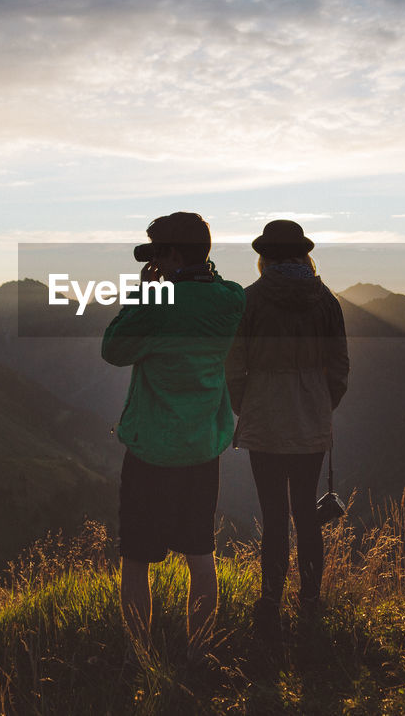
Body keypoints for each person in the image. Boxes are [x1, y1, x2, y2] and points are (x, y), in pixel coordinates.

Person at [101, 211, 245, 665]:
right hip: (203, 446)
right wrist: (193, 273)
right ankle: (198, 654)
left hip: (152, 449)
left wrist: (146, 292)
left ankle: (141, 656)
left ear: (173, 253)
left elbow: (114, 349)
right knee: (201, 553)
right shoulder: (232, 298)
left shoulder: (157, 303)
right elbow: (215, 291)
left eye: (158, 250)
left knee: (137, 559)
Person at [226, 219, 349, 631]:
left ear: (265, 256)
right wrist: (318, 403)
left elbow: (234, 366)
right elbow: (339, 369)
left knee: (275, 517)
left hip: (264, 422)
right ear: (302, 254)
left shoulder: (250, 300)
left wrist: (247, 406)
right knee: (306, 513)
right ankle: (311, 602)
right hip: (311, 422)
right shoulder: (327, 302)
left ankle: (269, 605)